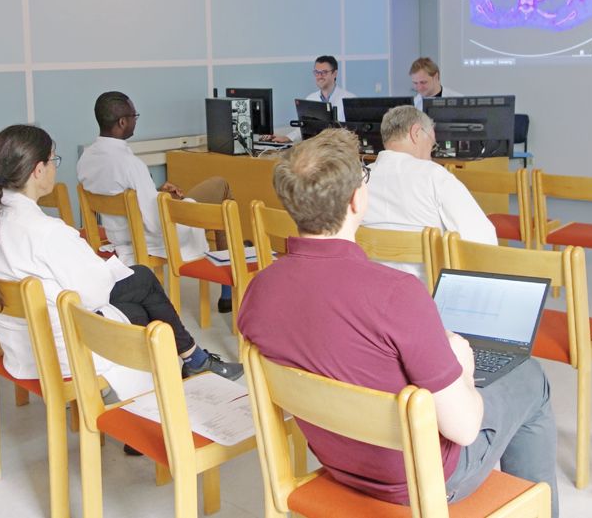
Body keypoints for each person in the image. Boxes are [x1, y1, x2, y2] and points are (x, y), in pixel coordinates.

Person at [237, 128, 558, 517]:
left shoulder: (259, 290)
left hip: (337, 462)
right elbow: (464, 429)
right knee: (530, 377)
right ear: (357, 199)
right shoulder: (397, 293)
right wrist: (463, 368)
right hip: (422, 480)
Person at [0, 125, 241, 404]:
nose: (54, 169)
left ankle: (183, 368)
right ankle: (172, 382)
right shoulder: (46, 231)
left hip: (18, 344)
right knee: (141, 294)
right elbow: (94, 293)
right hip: (61, 351)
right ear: (38, 170)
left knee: (139, 289)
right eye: (53, 161)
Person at [77, 90, 236, 313]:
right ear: (123, 122)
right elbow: (155, 223)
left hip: (120, 236)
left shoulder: (86, 158)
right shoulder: (131, 164)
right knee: (221, 187)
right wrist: (166, 202)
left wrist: (157, 194)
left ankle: (228, 281)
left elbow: (123, 198)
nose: (135, 121)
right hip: (153, 237)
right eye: (134, 116)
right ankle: (228, 286)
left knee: (201, 199)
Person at [364, 106, 497, 283]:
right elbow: (483, 240)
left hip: (369, 293)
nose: (431, 153)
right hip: (426, 295)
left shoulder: (359, 180)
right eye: (432, 144)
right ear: (416, 133)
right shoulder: (434, 176)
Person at [263, 55, 356, 143]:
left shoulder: (350, 99)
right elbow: (304, 127)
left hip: (340, 153)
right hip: (315, 150)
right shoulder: (310, 98)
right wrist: (287, 138)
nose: (319, 76)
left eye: (324, 72)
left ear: (334, 73)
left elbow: (353, 134)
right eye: (317, 72)